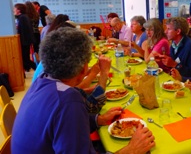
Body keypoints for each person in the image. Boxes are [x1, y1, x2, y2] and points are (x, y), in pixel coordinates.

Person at [12, 27, 155, 154]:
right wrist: (130, 150)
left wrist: (98, 119)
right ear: (83, 69)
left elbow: (62, 127)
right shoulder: (68, 101)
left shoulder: (41, 81)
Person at [156, 17, 191, 81]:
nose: (165, 32)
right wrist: (164, 60)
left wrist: (174, 64)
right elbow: (173, 63)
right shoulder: (173, 43)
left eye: (168, 29)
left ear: (178, 31)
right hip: (175, 79)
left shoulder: (190, 46)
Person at [14, 3, 37, 72]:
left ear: (19, 10)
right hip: (26, 41)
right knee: (25, 57)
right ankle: (28, 68)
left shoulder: (23, 17)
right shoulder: (23, 17)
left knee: (25, 58)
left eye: (15, 9)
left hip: (25, 41)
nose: (13, 10)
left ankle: (37, 68)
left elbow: (24, 31)